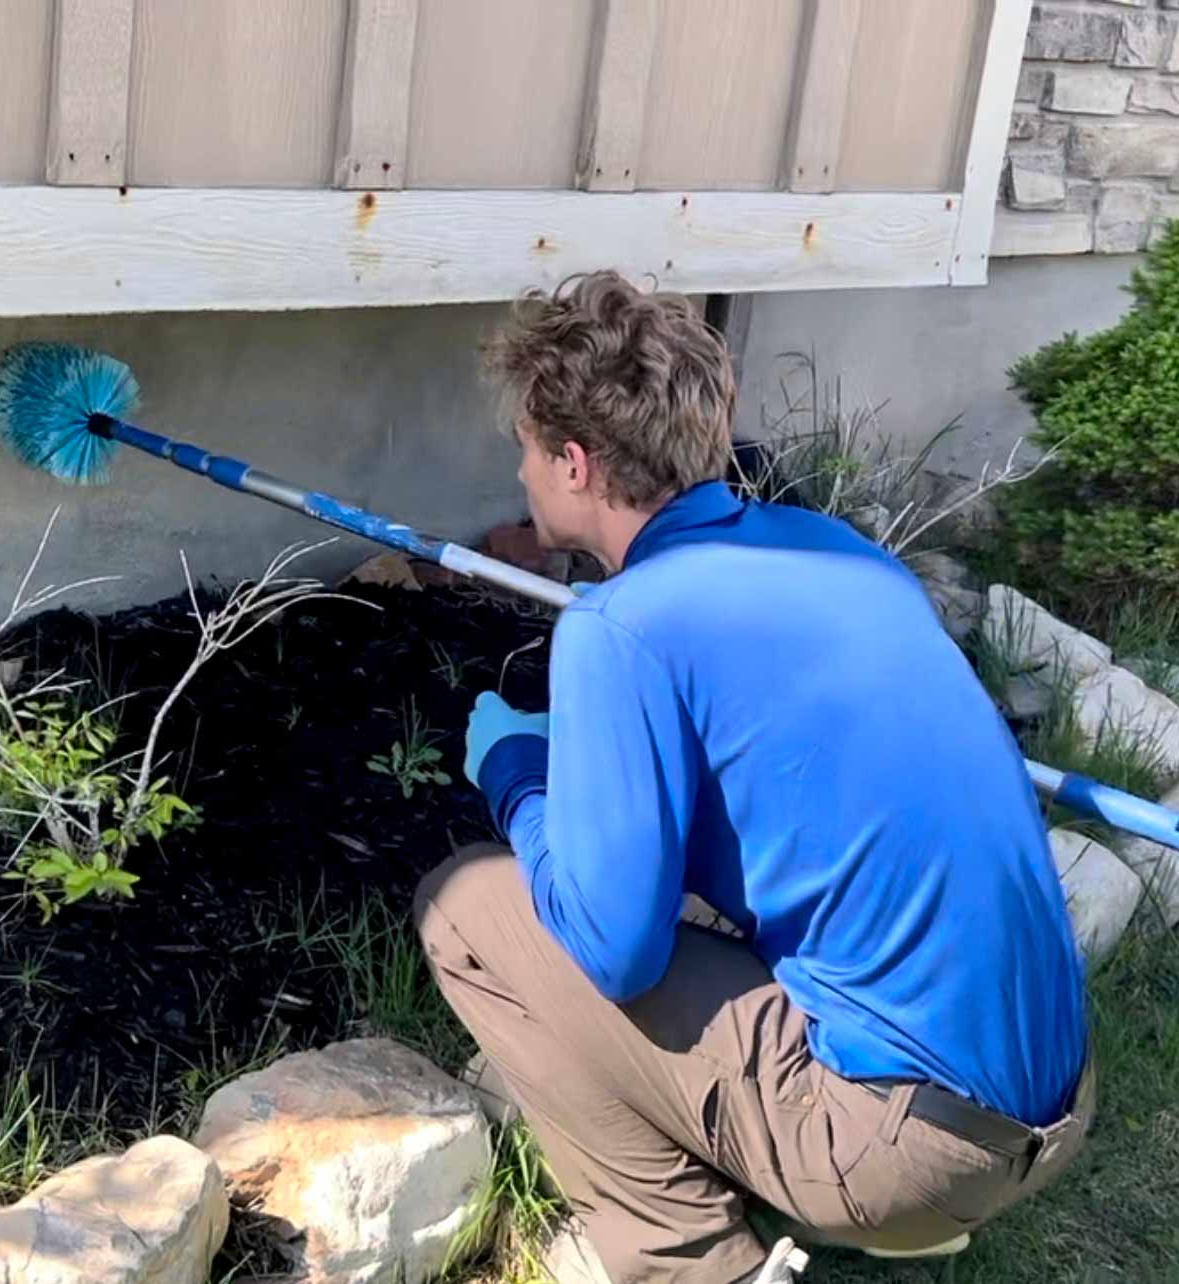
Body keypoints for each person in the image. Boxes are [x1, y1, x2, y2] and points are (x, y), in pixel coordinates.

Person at [415, 271, 1094, 1284]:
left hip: (911, 1151)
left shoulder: (618, 628)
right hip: (1055, 1101)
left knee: (467, 908)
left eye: (525, 446)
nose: (519, 471)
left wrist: (516, 776)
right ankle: (842, 1181)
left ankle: (692, 1262)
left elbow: (614, 952)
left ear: (574, 462)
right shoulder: (840, 555)